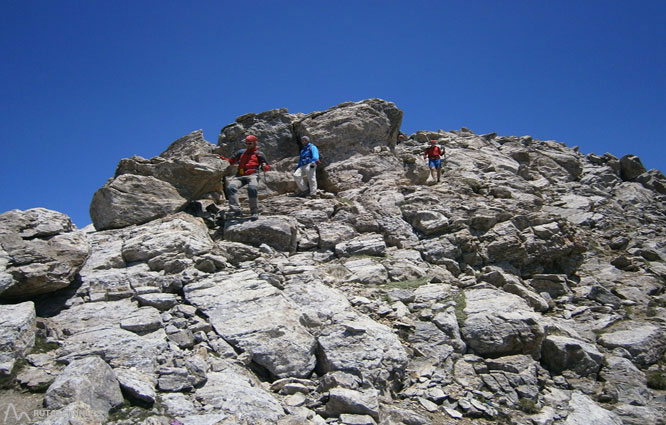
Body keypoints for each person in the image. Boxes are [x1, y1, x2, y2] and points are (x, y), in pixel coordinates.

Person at [219, 134, 270, 220]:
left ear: (254, 143)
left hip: (253, 175)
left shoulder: (259, 154)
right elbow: (231, 161)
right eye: (246, 143)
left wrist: (264, 166)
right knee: (231, 187)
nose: (247, 145)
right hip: (240, 175)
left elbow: (267, 166)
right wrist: (222, 158)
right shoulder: (241, 152)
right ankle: (235, 210)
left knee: (252, 189)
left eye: (249, 143)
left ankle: (254, 211)